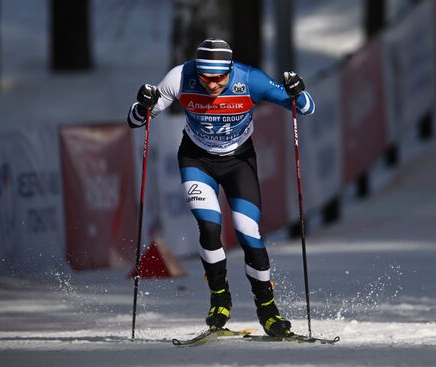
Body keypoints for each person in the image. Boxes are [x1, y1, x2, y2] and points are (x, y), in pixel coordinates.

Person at [127, 38, 315, 337]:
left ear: (230, 69)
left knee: (247, 232)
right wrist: (143, 105)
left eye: (219, 78)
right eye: (205, 78)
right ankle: (219, 298)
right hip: (196, 159)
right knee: (210, 227)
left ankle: (268, 309)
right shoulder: (180, 77)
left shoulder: (251, 79)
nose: (212, 85)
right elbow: (138, 120)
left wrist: (298, 93)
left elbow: (304, 108)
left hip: (239, 161)